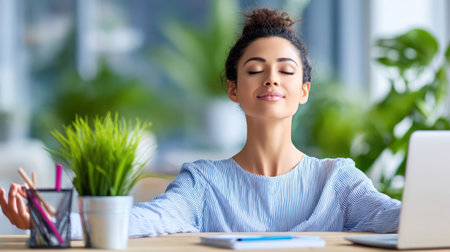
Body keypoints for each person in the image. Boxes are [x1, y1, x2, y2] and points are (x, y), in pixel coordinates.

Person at [0, 8, 401, 239]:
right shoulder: (203, 181)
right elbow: (150, 219)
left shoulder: (340, 182)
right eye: (255, 69)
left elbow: (402, 216)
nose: (271, 78)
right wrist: (57, 222)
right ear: (233, 89)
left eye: (286, 70)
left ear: (304, 90)